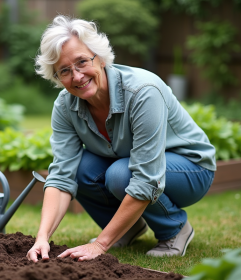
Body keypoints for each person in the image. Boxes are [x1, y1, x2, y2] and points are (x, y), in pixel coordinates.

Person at [26, 15, 216, 262]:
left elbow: (146, 177)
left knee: (120, 174)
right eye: (64, 70)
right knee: (79, 168)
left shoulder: (142, 92)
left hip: (191, 169)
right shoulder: (65, 106)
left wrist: (100, 245)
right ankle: (129, 228)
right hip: (132, 165)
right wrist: (42, 238)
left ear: (100, 57)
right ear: (57, 77)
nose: (77, 76)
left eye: (82, 62)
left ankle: (175, 230)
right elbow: (62, 175)